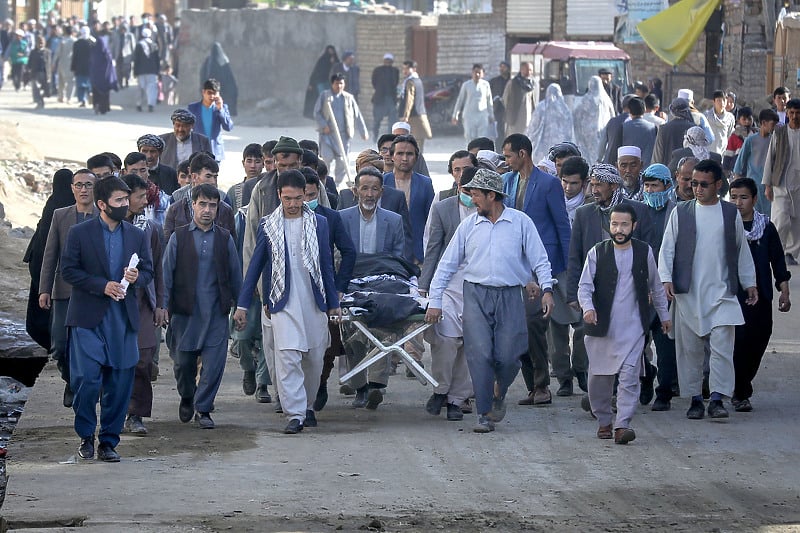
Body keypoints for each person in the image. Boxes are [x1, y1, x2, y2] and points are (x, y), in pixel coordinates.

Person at [426, 168, 554, 433]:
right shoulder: (468, 226)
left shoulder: (520, 222)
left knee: (509, 355)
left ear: (492, 195)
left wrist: (547, 289)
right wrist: (435, 299)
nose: (472, 201)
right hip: (475, 294)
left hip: (510, 295)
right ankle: (484, 412)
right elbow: (447, 265)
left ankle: (499, 389)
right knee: (479, 354)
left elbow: (539, 258)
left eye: (476, 195)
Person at [234, 170, 340, 434]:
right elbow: (256, 265)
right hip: (281, 303)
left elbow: (326, 265)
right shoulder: (267, 225)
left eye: (298, 198)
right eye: (287, 198)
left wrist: (334, 302)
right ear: (279, 196)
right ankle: (294, 413)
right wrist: (243, 304)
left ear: (305, 195)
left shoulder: (319, 223)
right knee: (287, 357)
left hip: (314, 303)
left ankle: (308, 405)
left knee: (314, 359)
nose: (293, 204)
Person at [60, 176, 154, 462]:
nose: (125, 205)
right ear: (102, 204)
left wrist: (137, 278)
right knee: (87, 380)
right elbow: (68, 271)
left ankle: (108, 442)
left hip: (123, 321)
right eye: (119, 201)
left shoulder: (137, 235)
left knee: (120, 384)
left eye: (127, 199)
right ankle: (86, 436)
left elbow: (149, 271)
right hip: (88, 318)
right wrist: (101, 285)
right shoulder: (80, 233)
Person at [658, 159, 758, 420]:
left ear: (718, 185)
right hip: (688, 295)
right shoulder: (681, 212)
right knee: (689, 351)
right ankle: (694, 400)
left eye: (703, 184)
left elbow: (741, 250)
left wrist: (750, 283)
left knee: (722, 350)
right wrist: (666, 279)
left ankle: (716, 399)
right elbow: (667, 250)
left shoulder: (730, 213)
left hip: (722, 294)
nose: (697, 188)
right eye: (694, 183)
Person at [579, 203, 671, 444]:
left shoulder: (644, 252)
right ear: (608, 225)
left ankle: (623, 425)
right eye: (614, 224)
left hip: (633, 328)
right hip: (602, 328)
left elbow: (656, 287)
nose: (619, 229)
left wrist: (664, 316)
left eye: (624, 224)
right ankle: (604, 420)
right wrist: (588, 309)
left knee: (630, 376)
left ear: (634, 226)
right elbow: (584, 287)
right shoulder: (597, 252)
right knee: (599, 380)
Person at [163, 183, 241, 429]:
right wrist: (163, 307)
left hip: (216, 312)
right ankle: (187, 395)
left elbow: (236, 274)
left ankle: (204, 408)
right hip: (185, 314)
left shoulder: (224, 237)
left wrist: (241, 306)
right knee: (183, 364)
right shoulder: (179, 236)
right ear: (192, 205)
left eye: (212, 205)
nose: (207, 210)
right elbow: (166, 275)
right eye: (202, 204)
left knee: (214, 365)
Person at [501, 134, 572, 402]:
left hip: (542, 263)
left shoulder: (549, 184)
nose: (506, 162)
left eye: (508, 156)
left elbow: (562, 225)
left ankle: (541, 386)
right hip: (514, 265)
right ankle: (535, 386)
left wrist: (563, 267)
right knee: (515, 327)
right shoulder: (507, 182)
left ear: (523, 153)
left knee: (534, 325)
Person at [338, 167, 406, 408]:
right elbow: (337, 254)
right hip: (351, 284)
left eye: (374, 189)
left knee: (382, 329)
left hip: (384, 285)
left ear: (381, 192)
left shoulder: (393, 220)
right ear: (355, 190)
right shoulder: (342, 218)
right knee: (353, 333)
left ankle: (377, 383)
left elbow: (398, 259)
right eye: (364, 188)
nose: (369, 194)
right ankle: (359, 387)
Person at [419, 168, 477, 421]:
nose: (469, 197)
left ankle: (457, 399)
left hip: (478, 284)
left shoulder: (491, 211)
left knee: (471, 344)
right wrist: (425, 286)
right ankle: (441, 388)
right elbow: (433, 248)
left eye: (473, 192)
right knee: (446, 339)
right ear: (458, 188)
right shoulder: (443, 209)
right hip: (448, 283)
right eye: (465, 191)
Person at [37, 169, 99, 407]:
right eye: (79, 185)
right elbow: (50, 254)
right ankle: (70, 379)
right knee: (60, 345)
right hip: (64, 290)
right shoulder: (60, 216)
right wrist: (44, 289)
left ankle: (86, 387)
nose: (83, 189)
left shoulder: (102, 216)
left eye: (88, 185)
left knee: (89, 344)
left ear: (95, 189)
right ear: (72, 188)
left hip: (94, 292)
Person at [728, 178, 791, 412]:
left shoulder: (766, 227)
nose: (738, 202)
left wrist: (783, 288)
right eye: (733, 197)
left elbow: (777, 259)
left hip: (762, 295)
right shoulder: (726, 225)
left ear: (754, 199)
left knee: (760, 338)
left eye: (743, 197)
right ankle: (740, 391)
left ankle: (743, 382)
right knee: (739, 341)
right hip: (733, 294)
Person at [120, 173, 165, 436]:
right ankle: (116, 408)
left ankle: (135, 414)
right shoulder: (104, 227)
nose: (143, 201)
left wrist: (160, 303)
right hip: (113, 303)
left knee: (143, 359)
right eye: (138, 196)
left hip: (143, 304)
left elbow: (158, 269)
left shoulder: (150, 228)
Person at [638, 163, 679, 411]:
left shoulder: (677, 213)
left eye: (655, 185)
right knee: (635, 344)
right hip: (640, 290)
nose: (651, 190)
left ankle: (664, 393)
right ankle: (645, 378)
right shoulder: (638, 212)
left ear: (667, 186)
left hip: (666, 290)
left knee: (665, 345)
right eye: (647, 185)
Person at [24, 169, 75, 351]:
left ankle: (53, 343)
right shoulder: (69, 208)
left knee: (43, 308)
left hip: (40, 264)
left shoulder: (52, 203)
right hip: (57, 269)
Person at [383, 134, 434, 264]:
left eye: (409, 154)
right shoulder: (382, 182)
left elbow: (432, 219)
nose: (405, 158)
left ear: (416, 157)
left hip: (417, 254)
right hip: (387, 252)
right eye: (400, 153)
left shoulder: (425, 183)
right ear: (392, 156)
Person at [762, 98, 800, 265]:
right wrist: (768, 185)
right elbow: (770, 158)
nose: (795, 116)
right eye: (791, 113)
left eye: (798, 113)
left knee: (797, 222)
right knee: (781, 220)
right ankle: (778, 250)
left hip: (798, 184)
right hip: (781, 183)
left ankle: (791, 254)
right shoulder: (780, 133)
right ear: (788, 114)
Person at [314, 73, 369, 185]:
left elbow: (357, 115)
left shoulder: (348, 98)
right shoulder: (325, 96)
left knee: (342, 161)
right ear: (332, 84)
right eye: (336, 83)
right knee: (326, 159)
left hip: (343, 136)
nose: (339, 86)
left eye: (341, 83)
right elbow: (317, 112)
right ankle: (324, 183)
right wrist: (324, 125)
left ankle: (337, 184)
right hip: (327, 135)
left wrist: (363, 131)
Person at [164, 153, 235, 239]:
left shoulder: (224, 202)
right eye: (208, 176)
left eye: (215, 177)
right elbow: (167, 240)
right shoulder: (176, 199)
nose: (213, 182)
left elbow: (231, 241)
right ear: (194, 177)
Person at [734, 108, 779, 216]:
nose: (774, 128)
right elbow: (741, 161)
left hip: (769, 184)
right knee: (753, 214)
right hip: (753, 183)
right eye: (772, 124)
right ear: (763, 123)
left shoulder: (774, 141)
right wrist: (737, 183)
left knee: (769, 215)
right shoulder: (751, 140)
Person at [526, 83, 574, 164]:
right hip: (561, 145)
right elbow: (569, 130)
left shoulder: (542, 107)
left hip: (544, 144)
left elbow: (533, 126)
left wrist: (529, 137)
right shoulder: (565, 109)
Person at [572, 75, 616, 164]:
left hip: (587, 134)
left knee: (588, 156)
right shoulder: (606, 100)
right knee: (600, 153)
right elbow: (613, 117)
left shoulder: (585, 100)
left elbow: (576, 116)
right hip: (603, 132)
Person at [188, 78, 234, 161]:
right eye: (209, 93)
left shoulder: (222, 108)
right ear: (203, 92)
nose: (212, 96)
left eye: (214, 93)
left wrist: (220, 109)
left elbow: (228, 127)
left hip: (215, 152)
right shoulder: (193, 108)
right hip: (197, 151)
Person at [451, 64, 495, 142]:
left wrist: (491, 115)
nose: (477, 74)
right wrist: (455, 115)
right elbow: (460, 100)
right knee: (470, 138)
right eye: (475, 72)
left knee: (482, 139)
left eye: (479, 72)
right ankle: (470, 154)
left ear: (482, 74)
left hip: (482, 116)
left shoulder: (486, 85)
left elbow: (489, 101)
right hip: (469, 116)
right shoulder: (466, 85)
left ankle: (480, 154)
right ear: (472, 73)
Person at [398, 60, 432, 151]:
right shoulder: (418, 80)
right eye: (403, 69)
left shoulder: (410, 82)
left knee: (413, 143)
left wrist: (405, 116)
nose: (404, 71)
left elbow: (409, 100)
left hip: (413, 116)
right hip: (419, 115)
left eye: (407, 69)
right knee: (419, 142)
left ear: (413, 69)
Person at [652, 98, 695, 166]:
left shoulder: (664, 129)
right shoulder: (694, 128)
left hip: (668, 170)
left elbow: (658, 155)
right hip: (689, 170)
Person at [200, 42, 238, 116]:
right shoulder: (224, 60)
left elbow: (203, 74)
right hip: (222, 87)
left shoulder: (209, 61)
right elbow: (229, 77)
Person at [502, 61, 537, 137]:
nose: (529, 72)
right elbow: (505, 99)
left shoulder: (532, 85)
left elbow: (533, 102)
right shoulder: (513, 83)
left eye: (530, 70)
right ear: (521, 70)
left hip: (528, 118)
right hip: (515, 118)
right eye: (527, 69)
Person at [227, 143, 264, 214]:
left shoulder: (267, 187)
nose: (253, 166)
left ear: (263, 164)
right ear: (243, 163)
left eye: (257, 162)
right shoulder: (233, 191)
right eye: (249, 161)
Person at [304, 45, 338, 119]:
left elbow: (337, 70)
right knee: (323, 98)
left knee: (329, 98)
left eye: (332, 51)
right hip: (320, 81)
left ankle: (328, 115)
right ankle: (321, 114)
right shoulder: (322, 60)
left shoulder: (335, 61)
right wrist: (311, 83)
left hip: (329, 82)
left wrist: (333, 62)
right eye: (329, 51)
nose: (330, 53)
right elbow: (316, 71)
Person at [622, 97, 657, 166]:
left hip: (627, 168)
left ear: (629, 110)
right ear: (644, 110)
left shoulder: (623, 127)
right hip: (646, 168)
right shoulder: (653, 127)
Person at [371, 53, 399, 138]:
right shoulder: (377, 70)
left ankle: (390, 137)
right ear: (384, 61)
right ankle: (375, 136)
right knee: (377, 120)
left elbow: (396, 82)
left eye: (389, 60)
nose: (388, 62)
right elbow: (374, 82)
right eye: (386, 60)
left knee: (392, 120)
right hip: (379, 99)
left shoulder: (395, 71)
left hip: (391, 99)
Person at [89, 31, 117, 115]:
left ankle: (96, 105)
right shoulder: (107, 52)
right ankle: (104, 107)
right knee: (105, 91)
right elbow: (110, 64)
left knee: (96, 90)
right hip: (105, 76)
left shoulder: (94, 50)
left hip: (96, 75)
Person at [133, 27, 159, 112]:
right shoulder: (154, 45)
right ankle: (150, 104)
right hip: (152, 70)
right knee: (151, 88)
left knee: (141, 88)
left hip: (141, 70)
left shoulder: (139, 45)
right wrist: (157, 71)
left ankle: (139, 104)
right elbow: (157, 59)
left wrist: (135, 71)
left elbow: (136, 59)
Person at [706, 90, 736, 156]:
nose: (722, 103)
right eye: (719, 100)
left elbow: (729, 135)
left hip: (722, 152)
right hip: (708, 152)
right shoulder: (707, 116)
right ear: (714, 102)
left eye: (724, 100)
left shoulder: (730, 118)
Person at [71, 27, 92, 107]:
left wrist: (73, 67)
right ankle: (90, 95)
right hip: (90, 67)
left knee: (80, 84)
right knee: (89, 83)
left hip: (79, 67)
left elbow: (74, 57)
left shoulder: (77, 43)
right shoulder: (92, 42)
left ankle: (83, 100)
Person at [27, 36, 51, 109]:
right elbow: (29, 62)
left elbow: (49, 63)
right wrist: (28, 69)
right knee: (36, 88)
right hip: (35, 73)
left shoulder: (47, 52)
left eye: (42, 43)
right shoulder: (33, 52)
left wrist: (49, 74)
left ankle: (42, 99)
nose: (40, 44)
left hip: (44, 73)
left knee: (46, 91)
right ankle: (39, 102)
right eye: (39, 43)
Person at [55, 25, 76, 102]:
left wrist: (54, 62)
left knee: (61, 82)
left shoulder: (62, 41)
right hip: (71, 62)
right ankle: (69, 97)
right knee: (70, 81)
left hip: (61, 63)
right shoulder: (75, 41)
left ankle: (61, 97)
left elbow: (57, 53)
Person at [112, 23, 135, 88]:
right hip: (118, 56)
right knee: (118, 71)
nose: (123, 30)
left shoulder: (130, 36)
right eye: (122, 29)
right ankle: (120, 83)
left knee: (126, 70)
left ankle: (127, 81)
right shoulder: (117, 36)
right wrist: (113, 55)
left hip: (126, 56)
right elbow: (114, 46)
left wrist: (133, 56)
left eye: (124, 29)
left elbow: (133, 46)